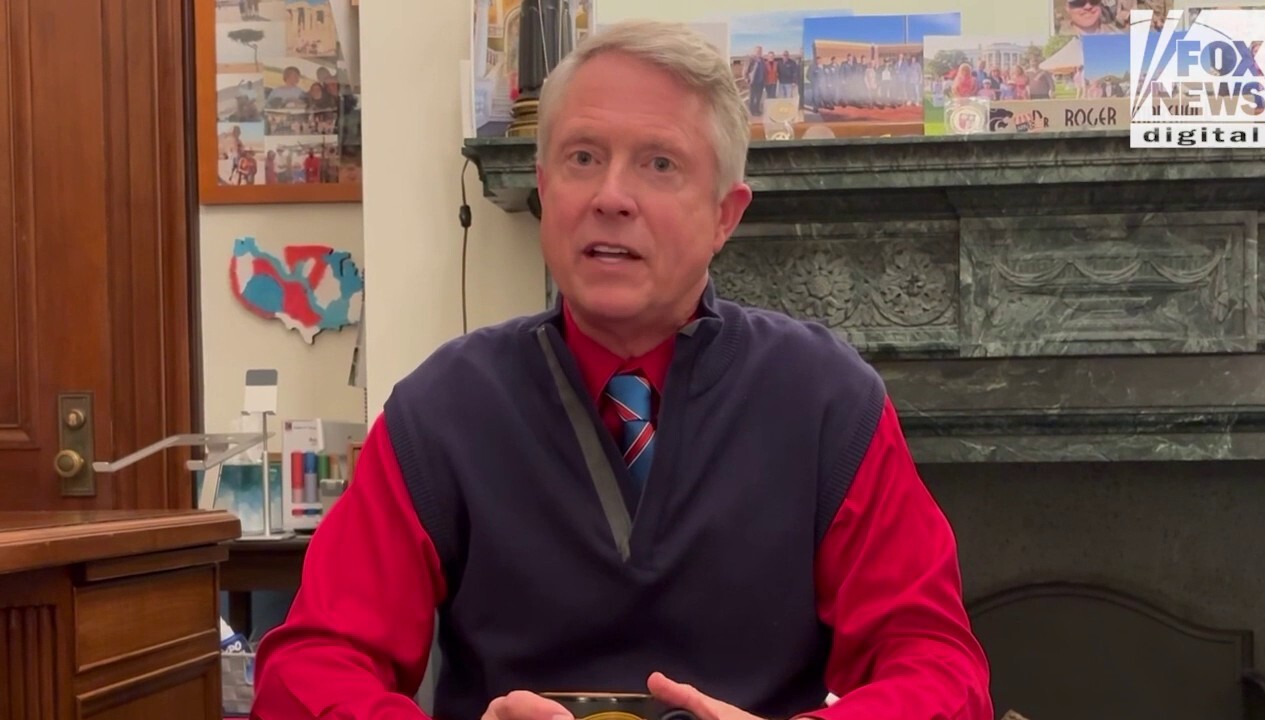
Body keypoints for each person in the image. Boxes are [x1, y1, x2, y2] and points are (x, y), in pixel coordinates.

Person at [250, 19, 992, 720]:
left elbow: (938, 667)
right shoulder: (443, 410)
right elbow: (308, 668)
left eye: (659, 164)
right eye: (583, 158)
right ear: (545, 187)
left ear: (725, 214)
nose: (611, 197)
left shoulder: (827, 400)